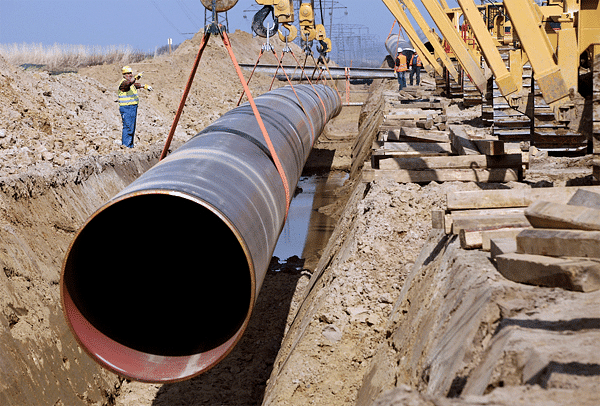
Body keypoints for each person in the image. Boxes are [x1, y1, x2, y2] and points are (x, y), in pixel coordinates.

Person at [118, 66, 153, 148]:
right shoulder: (123, 84)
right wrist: (136, 78)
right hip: (126, 108)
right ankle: (126, 146)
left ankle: (130, 145)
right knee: (128, 127)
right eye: (128, 73)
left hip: (132, 108)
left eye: (130, 73)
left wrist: (144, 86)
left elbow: (134, 85)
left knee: (132, 127)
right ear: (124, 75)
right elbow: (129, 84)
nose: (130, 75)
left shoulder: (130, 84)